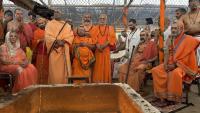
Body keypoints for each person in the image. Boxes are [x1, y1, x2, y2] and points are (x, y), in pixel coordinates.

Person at [151, 22, 199, 106]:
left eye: (175, 28)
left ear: (181, 29)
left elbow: (187, 56)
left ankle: (172, 99)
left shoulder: (188, 39)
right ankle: (161, 96)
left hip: (183, 65)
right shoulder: (170, 38)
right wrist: (165, 64)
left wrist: (176, 65)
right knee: (156, 70)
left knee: (174, 73)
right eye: (172, 28)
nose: (173, 30)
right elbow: (166, 53)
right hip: (170, 62)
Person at [45, 10, 74, 84]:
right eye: (55, 12)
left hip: (63, 50)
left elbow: (70, 35)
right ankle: (53, 87)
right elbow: (47, 36)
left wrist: (63, 42)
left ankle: (64, 86)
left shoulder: (66, 25)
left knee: (64, 71)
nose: (57, 13)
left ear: (61, 14)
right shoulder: (49, 24)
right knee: (54, 72)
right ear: (54, 14)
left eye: (58, 12)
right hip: (54, 49)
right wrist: (56, 41)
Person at [92, 14, 116, 83]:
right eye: (101, 18)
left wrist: (103, 46)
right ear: (99, 19)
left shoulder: (110, 28)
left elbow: (111, 38)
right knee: (98, 66)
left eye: (104, 19)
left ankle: (106, 82)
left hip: (106, 50)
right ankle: (97, 82)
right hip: (98, 50)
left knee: (106, 66)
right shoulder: (95, 28)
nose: (102, 20)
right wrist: (97, 45)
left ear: (106, 20)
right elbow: (93, 37)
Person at [179, 0, 200, 65]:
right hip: (187, 38)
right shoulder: (183, 17)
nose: (194, 3)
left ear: (199, 3)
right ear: (189, 4)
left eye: (196, 1)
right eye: (192, 1)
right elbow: (178, 28)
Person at [32, 17, 48, 84]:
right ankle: (39, 84)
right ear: (37, 24)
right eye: (39, 23)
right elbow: (33, 42)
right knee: (39, 70)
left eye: (42, 23)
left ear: (45, 23)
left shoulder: (49, 31)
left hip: (48, 54)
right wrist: (39, 41)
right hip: (40, 54)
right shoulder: (36, 32)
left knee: (47, 70)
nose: (41, 24)